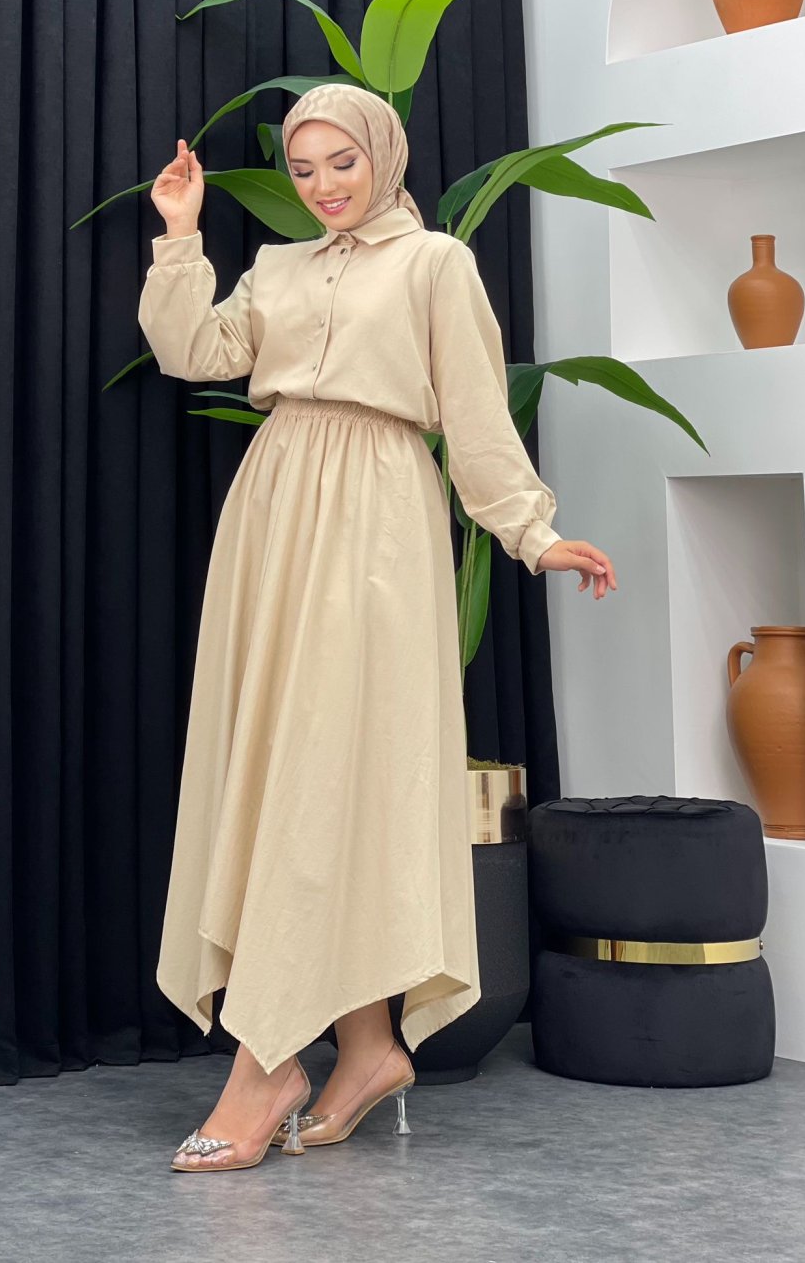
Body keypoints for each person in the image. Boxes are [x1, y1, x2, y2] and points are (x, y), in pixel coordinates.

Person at [137, 84, 617, 1173]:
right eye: (303, 169)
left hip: (378, 518)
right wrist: (180, 236)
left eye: (341, 162)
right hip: (273, 510)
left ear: (384, 156)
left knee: (329, 768)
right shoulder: (278, 268)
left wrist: (534, 533)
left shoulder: (436, 263)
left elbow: (476, 412)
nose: (322, 186)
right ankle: (365, 1047)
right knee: (287, 768)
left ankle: (266, 1064)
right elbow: (195, 352)